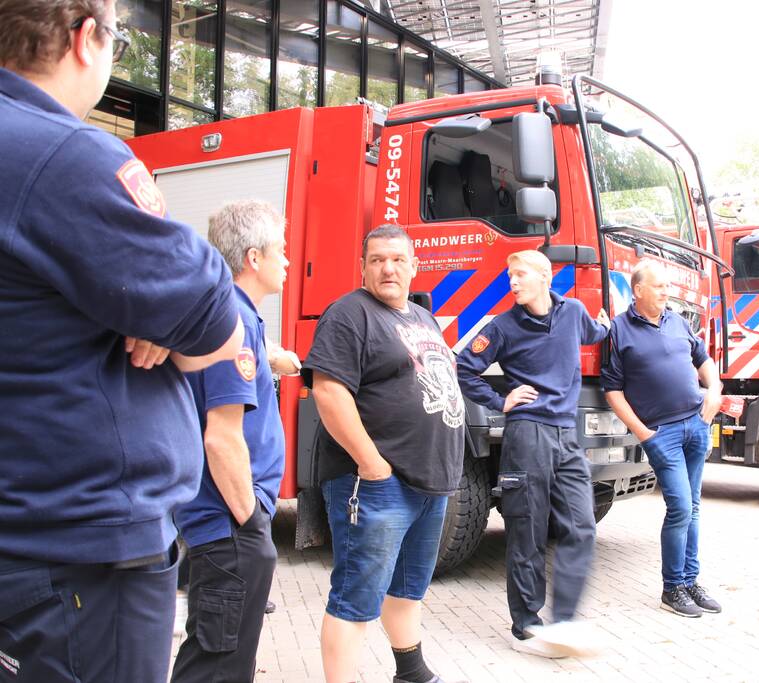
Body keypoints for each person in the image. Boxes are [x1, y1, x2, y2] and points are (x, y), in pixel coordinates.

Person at [0, 1, 244, 681]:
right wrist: (150, 314)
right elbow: (215, 334)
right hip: (75, 558)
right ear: (86, 40)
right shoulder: (58, 153)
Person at [303, 225, 465, 683]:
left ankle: (410, 671)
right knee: (356, 599)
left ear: (414, 266)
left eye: (396, 259)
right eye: (376, 260)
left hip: (429, 484)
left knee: (408, 590)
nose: (387, 268)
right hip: (376, 485)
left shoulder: (421, 318)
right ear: (363, 267)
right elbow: (329, 392)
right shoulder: (349, 315)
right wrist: (371, 463)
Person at [456, 250, 610, 658]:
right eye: (510, 275)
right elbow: (462, 367)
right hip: (527, 437)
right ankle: (525, 626)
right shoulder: (503, 327)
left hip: (566, 436)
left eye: (520, 274)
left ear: (546, 276)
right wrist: (498, 400)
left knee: (581, 527)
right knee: (527, 533)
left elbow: (595, 332)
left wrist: (612, 323)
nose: (513, 282)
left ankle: (564, 621)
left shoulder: (573, 312)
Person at [171, 201, 290, 682]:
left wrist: (273, 356)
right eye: (282, 249)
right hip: (229, 527)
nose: (289, 259)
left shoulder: (234, 317)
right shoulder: (231, 323)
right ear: (254, 259)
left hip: (223, 526)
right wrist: (252, 527)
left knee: (221, 657)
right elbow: (221, 439)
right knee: (215, 667)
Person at [600, 259, 723, 618]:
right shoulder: (619, 331)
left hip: (696, 425)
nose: (666, 292)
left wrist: (713, 390)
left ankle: (690, 581)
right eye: (659, 287)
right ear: (638, 290)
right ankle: (672, 588)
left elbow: (703, 359)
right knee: (681, 507)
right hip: (662, 434)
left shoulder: (677, 321)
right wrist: (644, 434)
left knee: (694, 507)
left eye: (667, 287)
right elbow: (612, 391)